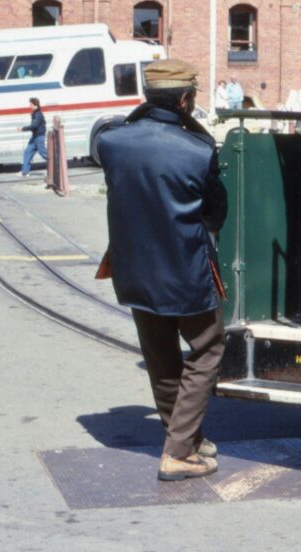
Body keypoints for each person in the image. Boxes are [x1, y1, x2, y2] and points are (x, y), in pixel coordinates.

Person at [97, 59, 228, 482]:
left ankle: (185, 438)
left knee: (161, 359)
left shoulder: (113, 143)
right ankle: (177, 452)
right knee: (207, 349)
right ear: (186, 100)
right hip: (184, 270)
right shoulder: (199, 150)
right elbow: (215, 213)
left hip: (133, 269)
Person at [17, 98, 47, 176]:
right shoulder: (34, 113)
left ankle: (57, 164)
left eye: (31, 104)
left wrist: (22, 129)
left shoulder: (38, 114)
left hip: (39, 137)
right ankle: (25, 172)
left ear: (35, 105)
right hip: (35, 137)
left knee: (43, 153)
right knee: (27, 152)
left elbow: (34, 126)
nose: (29, 106)